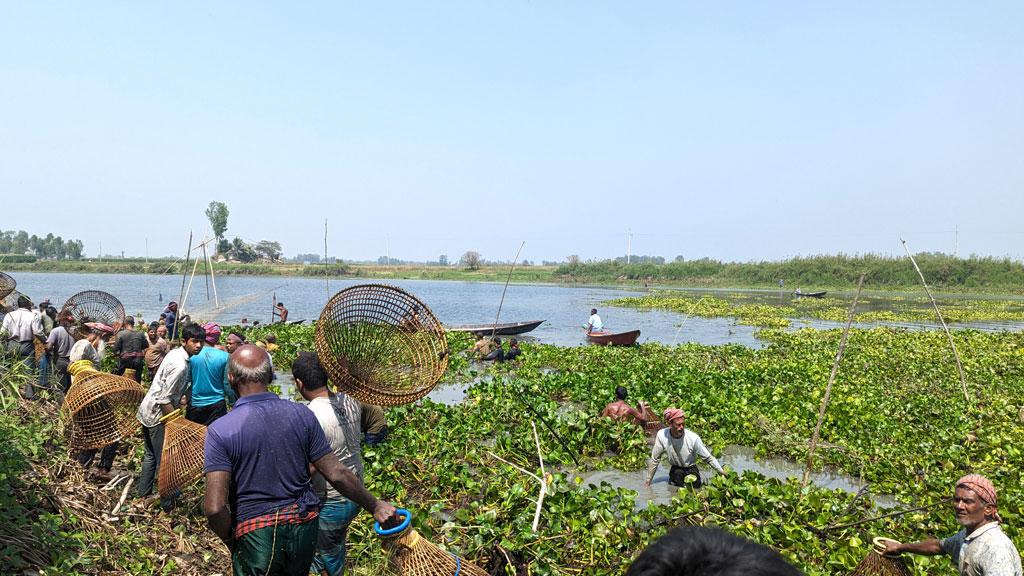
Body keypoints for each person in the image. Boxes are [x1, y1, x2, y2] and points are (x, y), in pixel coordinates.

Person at [203, 344, 399, 575]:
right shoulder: (302, 414)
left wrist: (232, 540)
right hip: (303, 527)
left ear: (231, 377)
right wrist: (375, 505)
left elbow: (215, 509)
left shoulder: (220, 430)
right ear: (269, 376)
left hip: (257, 533)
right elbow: (335, 471)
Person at [294, 351, 364, 575]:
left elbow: (312, 466)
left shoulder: (310, 415)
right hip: (357, 491)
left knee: (324, 555)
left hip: (333, 499)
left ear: (299, 383)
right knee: (333, 547)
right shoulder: (351, 401)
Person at [879, 474, 1021, 575]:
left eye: (967, 501)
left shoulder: (995, 548)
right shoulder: (969, 536)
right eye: (957, 499)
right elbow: (938, 546)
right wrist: (899, 547)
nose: (959, 506)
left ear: (988, 509)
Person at [136, 323, 205, 502]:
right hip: (157, 414)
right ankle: (169, 501)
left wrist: (183, 397)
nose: (198, 346)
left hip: (147, 410)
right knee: (167, 461)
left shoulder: (175, 353)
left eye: (201, 342)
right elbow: (164, 399)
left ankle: (143, 494)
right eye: (195, 342)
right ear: (184, 341)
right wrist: (176, 424)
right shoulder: (180, 364)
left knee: (150, 455)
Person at [625, 525, 802, 576]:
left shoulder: (693, 440)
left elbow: (706, 456)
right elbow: (655, 459)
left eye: (682, 429)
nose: (679, 430)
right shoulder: (664, 440)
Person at [645, 407, 725, 488]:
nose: (682, 427)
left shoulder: (693, 438)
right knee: (673, 491)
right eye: (678, 425)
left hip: (691, 470)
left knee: (695, 492)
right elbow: (655, 460)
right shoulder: (662, 435)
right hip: (675, 470)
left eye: (683, 424)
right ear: (670, 424)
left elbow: (708, 458)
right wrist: (648, 482)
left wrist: (722, 472)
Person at [186, 323, 232, 425]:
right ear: (217, 338)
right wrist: (233, 402)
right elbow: (227, 383)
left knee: (195, 438)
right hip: (217, 404)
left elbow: (187, 380)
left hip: (196, 404)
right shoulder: (225, 356)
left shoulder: (192, 355)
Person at [3, 295, 44, 397]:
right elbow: (38, 332)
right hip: (27, 345)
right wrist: (45, 341)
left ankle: (9, 394)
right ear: (28, 304)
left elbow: (3, 332)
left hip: (11, 344)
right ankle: (29, 396)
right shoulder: (33, 315)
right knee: (29, 372)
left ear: (18, 304)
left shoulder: (9, 315)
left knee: (9, 370)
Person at [45, 314, 75, 392]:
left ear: (60, 320)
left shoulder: (56, 331)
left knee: (61, 383)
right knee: (71, 382)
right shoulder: (74, 331)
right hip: (73, 361)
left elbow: (49, 347)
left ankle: (61, 402)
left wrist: (47, 352)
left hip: (60, 359)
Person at [113, 316, 148, 382]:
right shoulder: (141, 333)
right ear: (133, 323)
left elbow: (116, 348)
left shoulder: (121, 334)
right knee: (137, 380)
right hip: (138, 360)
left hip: (125, 360)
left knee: (120, 379)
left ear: (125, 323)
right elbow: (146, 345)